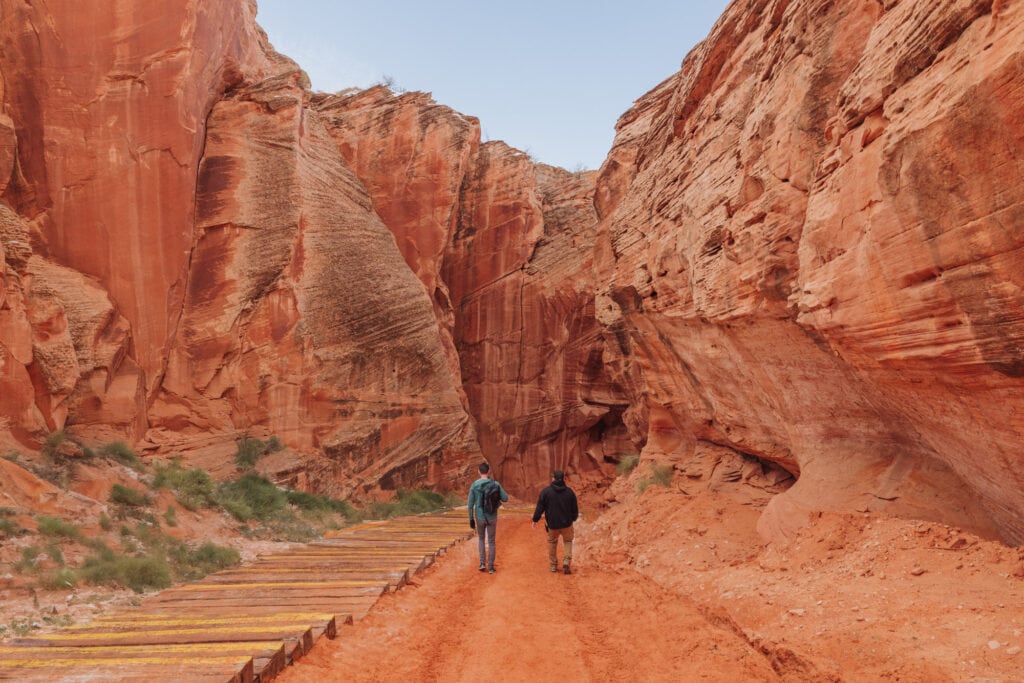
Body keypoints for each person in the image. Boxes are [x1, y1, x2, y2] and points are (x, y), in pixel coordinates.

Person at [532, 470, 579, 574]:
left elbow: (540, 507)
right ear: (563, 479)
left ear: (553, 478)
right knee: (567, 541)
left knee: (552, 543)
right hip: (567, 523)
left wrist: (535, 519)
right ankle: (566, 561)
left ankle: (553, 566)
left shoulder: (546, 492)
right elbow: (575, 509)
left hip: (552, 524)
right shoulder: (569, 492)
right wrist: (573, 519)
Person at [467, 462, 509, 574]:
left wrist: (471, 519)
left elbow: (470, 504)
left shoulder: (474, 485)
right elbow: (505, 498)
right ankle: (490, 567)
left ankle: (482, 563)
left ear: (479, 472)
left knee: (481, 539)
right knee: (491, 541)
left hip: (480, 517)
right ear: (488, 471)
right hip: (492, 517)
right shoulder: (495, 484)